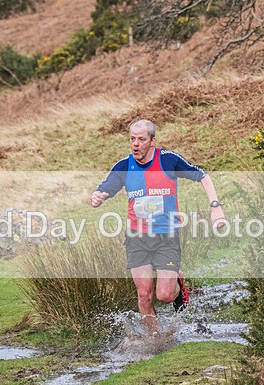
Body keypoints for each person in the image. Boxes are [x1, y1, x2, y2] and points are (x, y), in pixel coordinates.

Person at [90, 119, 227, 333]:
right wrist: (98, 196)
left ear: (152, 141)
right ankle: (155, 339)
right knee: (144, 294)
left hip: (166, 237)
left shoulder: (168, 160)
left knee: (164, 295)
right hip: (137, 237)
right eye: (132, 139)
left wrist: (215, 207)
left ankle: (178, 282)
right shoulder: (124, 166)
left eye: (141, 139)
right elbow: (106, 189)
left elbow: (202, 176)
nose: (135, 144)